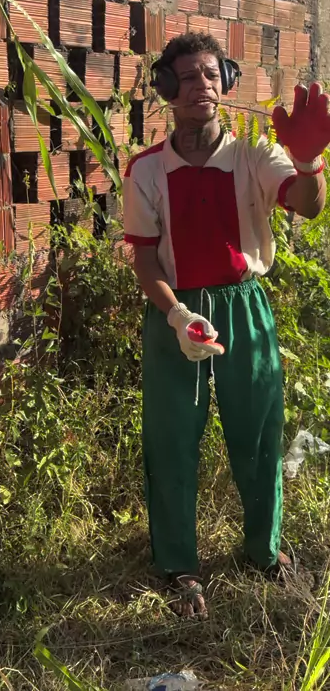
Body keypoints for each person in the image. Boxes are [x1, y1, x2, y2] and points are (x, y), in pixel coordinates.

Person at [123, 31, 329, 617]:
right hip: (175, 313)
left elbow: (309, 204)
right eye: (187, 77)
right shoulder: (146, 171)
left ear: (227, 83)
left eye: (211, 75)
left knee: (258, 429)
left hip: (244, 307)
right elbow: (144, 261)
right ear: (167, 88)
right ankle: (179, 564)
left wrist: (309, 161)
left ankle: (263, 549)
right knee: (170, 437)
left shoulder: (254, 156)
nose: (201, 86)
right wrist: (176, 314)